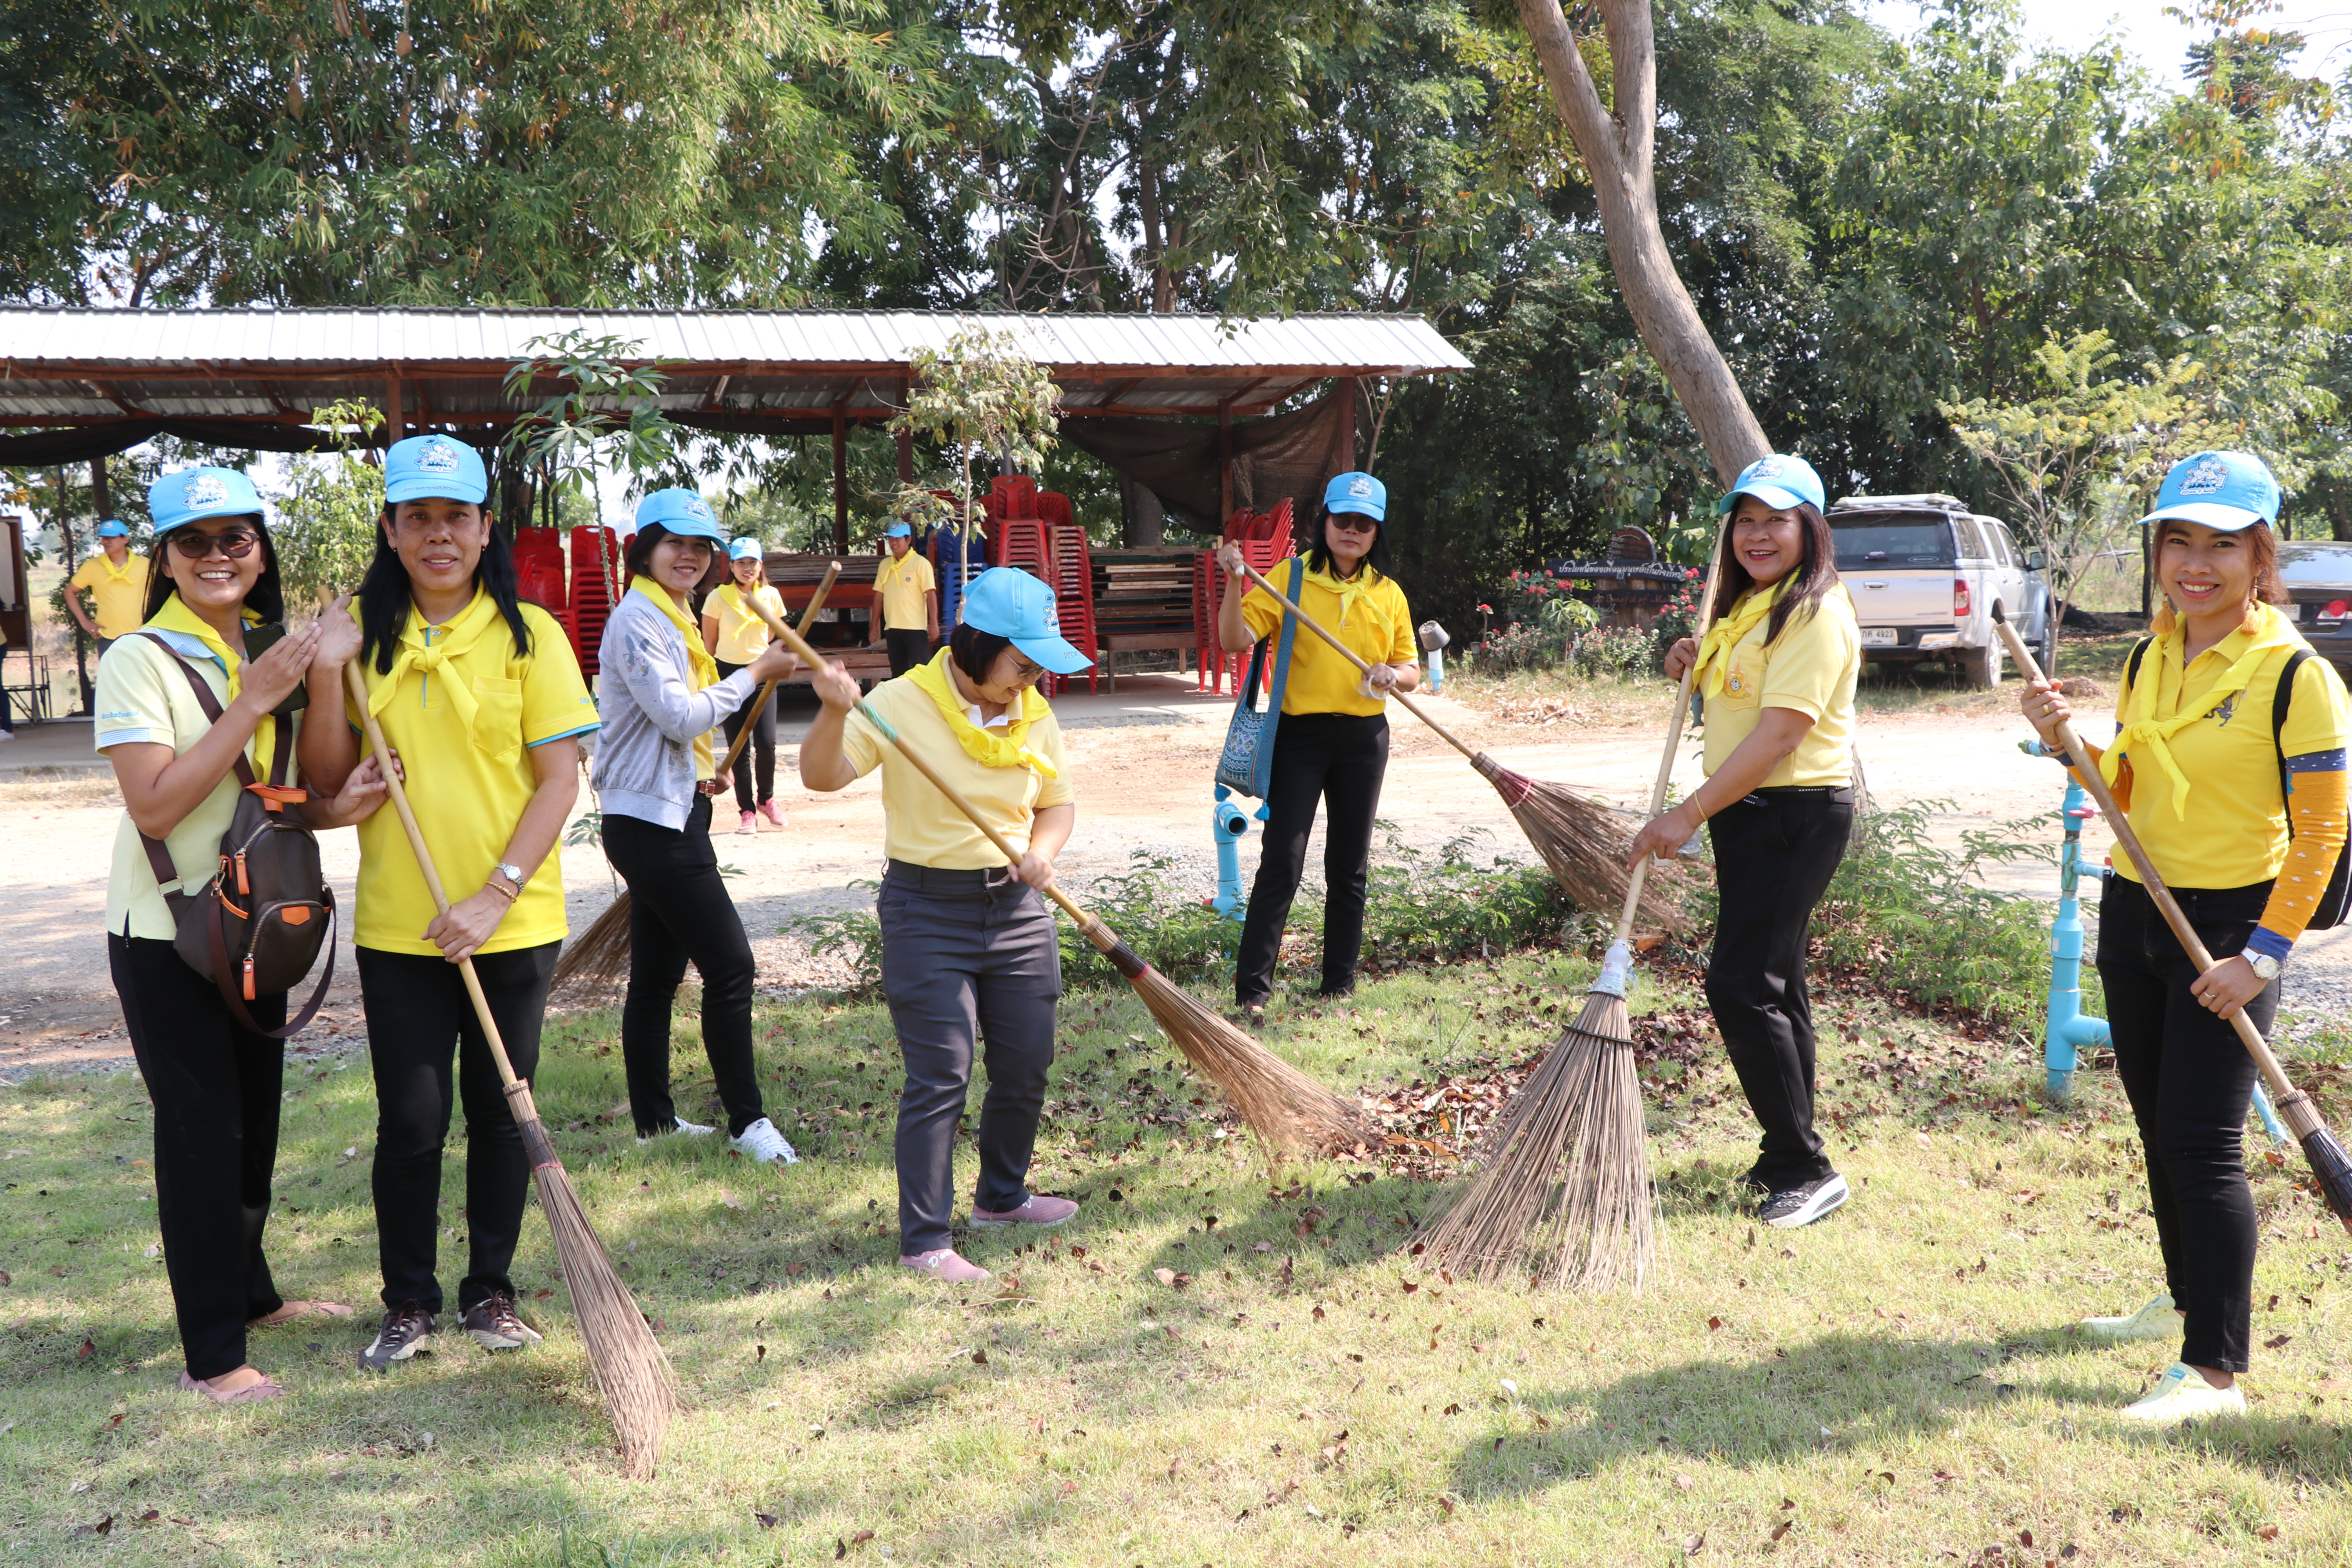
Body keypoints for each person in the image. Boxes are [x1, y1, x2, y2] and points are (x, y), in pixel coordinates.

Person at [2022, 450, 2348, 1426]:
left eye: (2221, 544)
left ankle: (2214, 1372)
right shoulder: (2146, 655)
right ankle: (2180, 1297)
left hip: (2229, 926)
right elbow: (2121, 796)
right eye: (2178, 540)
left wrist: (2260, 956)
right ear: (2157, 550)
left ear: (2261, 556)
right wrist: (2065, 743)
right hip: (2137, 908)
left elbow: (2324, 831)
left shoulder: (2294, 675)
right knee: (2158, 1127)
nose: (2194, 563)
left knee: (2204, 1144)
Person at [297, 434, 602, 1374]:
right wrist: (322, 669)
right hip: (402, 922)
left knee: (502, 1111)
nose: (438, 535)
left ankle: (491, 1291)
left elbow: (560, 781)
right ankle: (408, 1300)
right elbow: (319, 786)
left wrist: (492, 893)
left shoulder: (531, 636)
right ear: (389, 530)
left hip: (512, 920)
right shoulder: (357, 640)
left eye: (456, 518)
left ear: (484, 530)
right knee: (413, 1119)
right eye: (417, 518)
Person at [98, 465, 390, 1403]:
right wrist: (256, 699)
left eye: (237, 538)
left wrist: (330, 673)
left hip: (254, 921)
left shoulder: (272, 650)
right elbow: (157, 797)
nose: (219, 556)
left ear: (260, 551)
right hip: (166, 929)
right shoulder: (137, 657)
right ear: (167, 559)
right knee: (200, 1135)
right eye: (196, 541)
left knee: (255, 1125)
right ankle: (214, 1353)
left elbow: (305, 779)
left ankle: (254, 1294)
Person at [798, 566, 1091, 1283]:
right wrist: (835, 711)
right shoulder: (902, 703)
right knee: (942, 1072)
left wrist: (1041, 854)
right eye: (1020, 662)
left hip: (1017, 908)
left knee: (1026, 1062)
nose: (1028, 679)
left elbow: (1056, 804)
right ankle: (926, 1241)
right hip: (927, 909)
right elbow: (822, 777)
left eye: (1037, 667)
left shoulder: (1034, 714)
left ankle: (1002, 1198)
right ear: (976, 643)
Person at [1629, 454, 1860, 1232]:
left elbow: (1778, 734)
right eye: (1747, 521)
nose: (1759, 535)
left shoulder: (1814, 612)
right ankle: (1786, 1150)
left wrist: (1684, 814)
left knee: (1740, 982)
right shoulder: (1754, 606)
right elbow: (1738, 696)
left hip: (1790, 811)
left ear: (1811, 529)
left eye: (1778, 520)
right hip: (1756, 814)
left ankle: (1805, 1167)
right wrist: (1691, 662)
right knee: (1776, 981)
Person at [593, 489, 800, 1163]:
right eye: (675, 543)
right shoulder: (637, 619)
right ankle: (748, 1123)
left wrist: (697, 776)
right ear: (645, 550)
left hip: (671, 807)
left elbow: (668, 734)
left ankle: (655, 1121)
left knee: (655, 978)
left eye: (700, 546)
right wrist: (755, 674)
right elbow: (680, 715)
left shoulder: (674, 611)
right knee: (731, 965)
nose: (690, 556)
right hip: (649, 826)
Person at [1213, 472, 1419, 1019]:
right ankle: (1252, 991)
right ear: (1323, 522)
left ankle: (1338, 985)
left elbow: (1412, 668)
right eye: (1342, 520)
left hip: (1363, 738)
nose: (1352, 531)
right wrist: (1234, 582)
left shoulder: (1388, 593)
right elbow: (1234, 639)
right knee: (1282, 859)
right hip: (1298, 736)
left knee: (1349, 866)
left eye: (1364, 524)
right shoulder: (1291, 577)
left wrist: (1393, 677)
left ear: (1377, 532)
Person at [701, 537, 787, 835]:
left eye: (753, 563)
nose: (747, 568)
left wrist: (759, 656)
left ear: (761, 565)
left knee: (767, 743)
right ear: (732, 566)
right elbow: (708, 642)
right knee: (739, 747)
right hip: (728, 673)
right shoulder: (717, 597)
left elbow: (776, 634)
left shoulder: (771, 595)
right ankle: (747, 811)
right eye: (741, 563)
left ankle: (767, 799)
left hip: (763, 672)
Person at [69, 518, 154, 657]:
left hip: (142, 636)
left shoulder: (146, 564)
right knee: (111, 679)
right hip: (107, 638)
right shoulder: (92, 566)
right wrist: (85, 622)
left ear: (125, 539)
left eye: (111, 538)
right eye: (103, 538)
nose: (106, 542)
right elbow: (70, 592)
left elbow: (163, 594)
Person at [873, 520, 939, 678]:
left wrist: (934, 623)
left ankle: (925, 702)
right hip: (893, 628)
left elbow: (931, 594)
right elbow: (878, 595)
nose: (893, 543)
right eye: (891, 539)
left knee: (922, 672)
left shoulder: (920, 564)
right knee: (898, 674)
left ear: (909, 540)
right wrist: (874, 625)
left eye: (898, 539)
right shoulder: (884, 565)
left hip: (915, 628)